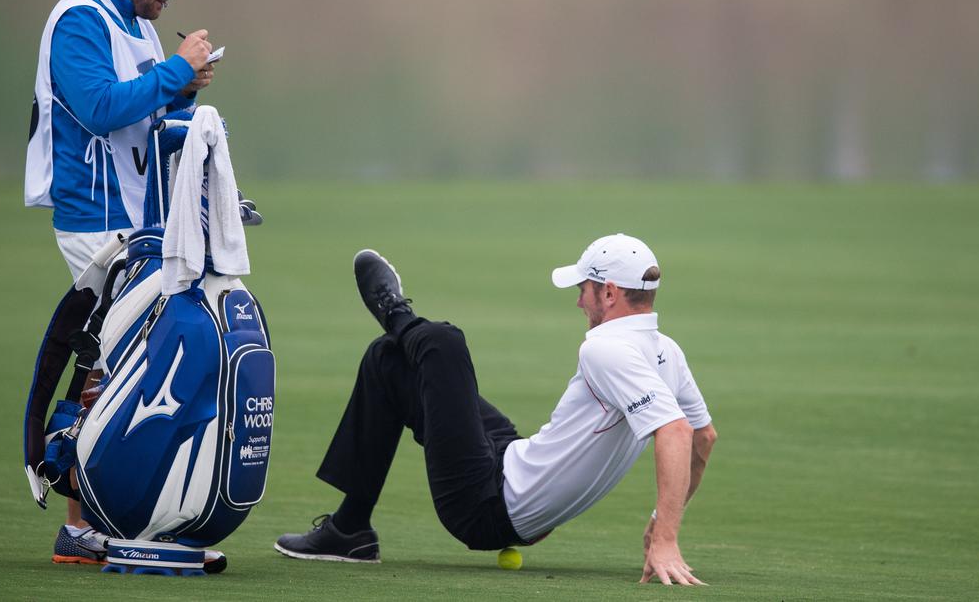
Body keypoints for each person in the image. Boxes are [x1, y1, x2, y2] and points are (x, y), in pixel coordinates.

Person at [275, 234, 718, 585]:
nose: (578, 300)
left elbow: (677, 432)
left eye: (583, 289)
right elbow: (703, 437)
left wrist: (665, 538)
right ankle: (350, 529)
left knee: (443, 344)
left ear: (609, 293)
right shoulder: (668, 353)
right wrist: (661, 518)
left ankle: (395, 313)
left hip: (484, 506)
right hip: (510, 461)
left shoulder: (605, 348)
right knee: (388, 362)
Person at [23, 0, 221, 568]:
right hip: (93, 220)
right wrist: (173, 73)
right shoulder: (78, 18)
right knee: (107, 367)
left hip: (135, 219)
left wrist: (182, 90)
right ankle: (81, 523)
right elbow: (100, 106)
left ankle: (105, 513)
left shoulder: (135, 24)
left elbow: (145, 117)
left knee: (120, 365)